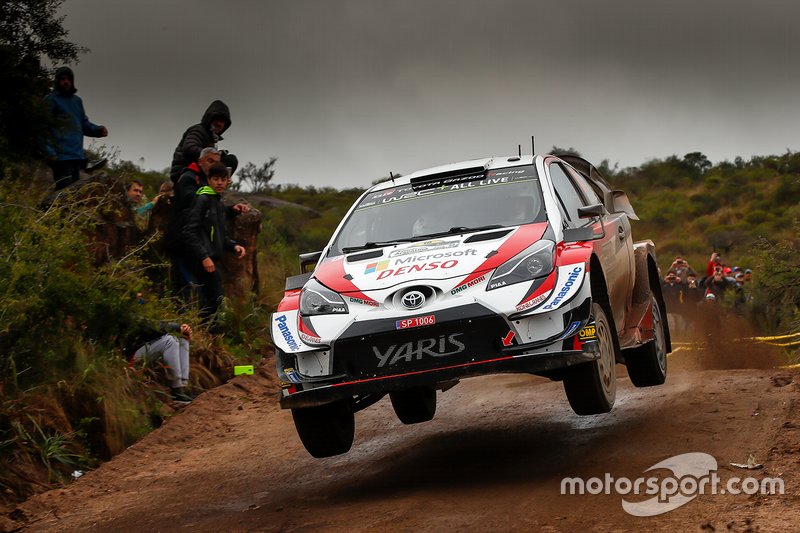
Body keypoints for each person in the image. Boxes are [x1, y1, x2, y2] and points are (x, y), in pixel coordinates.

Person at [182, 162, 247, 325]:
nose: (219, 182)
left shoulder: (217, 202)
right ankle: (206, 338)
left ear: (227, 181)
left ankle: (210, 338)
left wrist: (233, 246)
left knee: (214, 300)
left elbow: (220, 234)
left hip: (214, 259)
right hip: (203, 260)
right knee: (211, 301)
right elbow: (189, 231)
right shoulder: (203, 199)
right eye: (216, 179)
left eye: (223, 179)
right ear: (209, 180)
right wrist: (204, 257)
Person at [42, 67, 108, 190]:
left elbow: (83, 124)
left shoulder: (77, 101)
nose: (66, 82)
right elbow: (43, 128)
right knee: (64, 193)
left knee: (75, 196)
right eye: (62, 79)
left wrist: (98, 130)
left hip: (76, 156)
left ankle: (87, 163)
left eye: (68, 79)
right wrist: (49, 152)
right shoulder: (50, 100)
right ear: (57, 81)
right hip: (61, 157)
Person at [125, 319, 194, 403]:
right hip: (130, 356)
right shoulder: (133, 310)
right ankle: (177, 391)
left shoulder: (146, 309)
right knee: (170, 340)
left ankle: (182, 387)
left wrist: (182, 330)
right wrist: (177, 327)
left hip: (143, 348)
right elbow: (151, 327)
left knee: (183, 338)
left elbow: (155, 329)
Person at [169, 100, 236, 183]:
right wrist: (212, 155)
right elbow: (189, 148)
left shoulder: (212, 137)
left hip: (196, 171)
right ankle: (214, 182)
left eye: (222, 121)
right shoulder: (198, 130)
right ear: (209, 118)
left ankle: (219, 182)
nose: (219, 124)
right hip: (184, 171)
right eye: (216, 120)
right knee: (229, 160)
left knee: (229, 160)